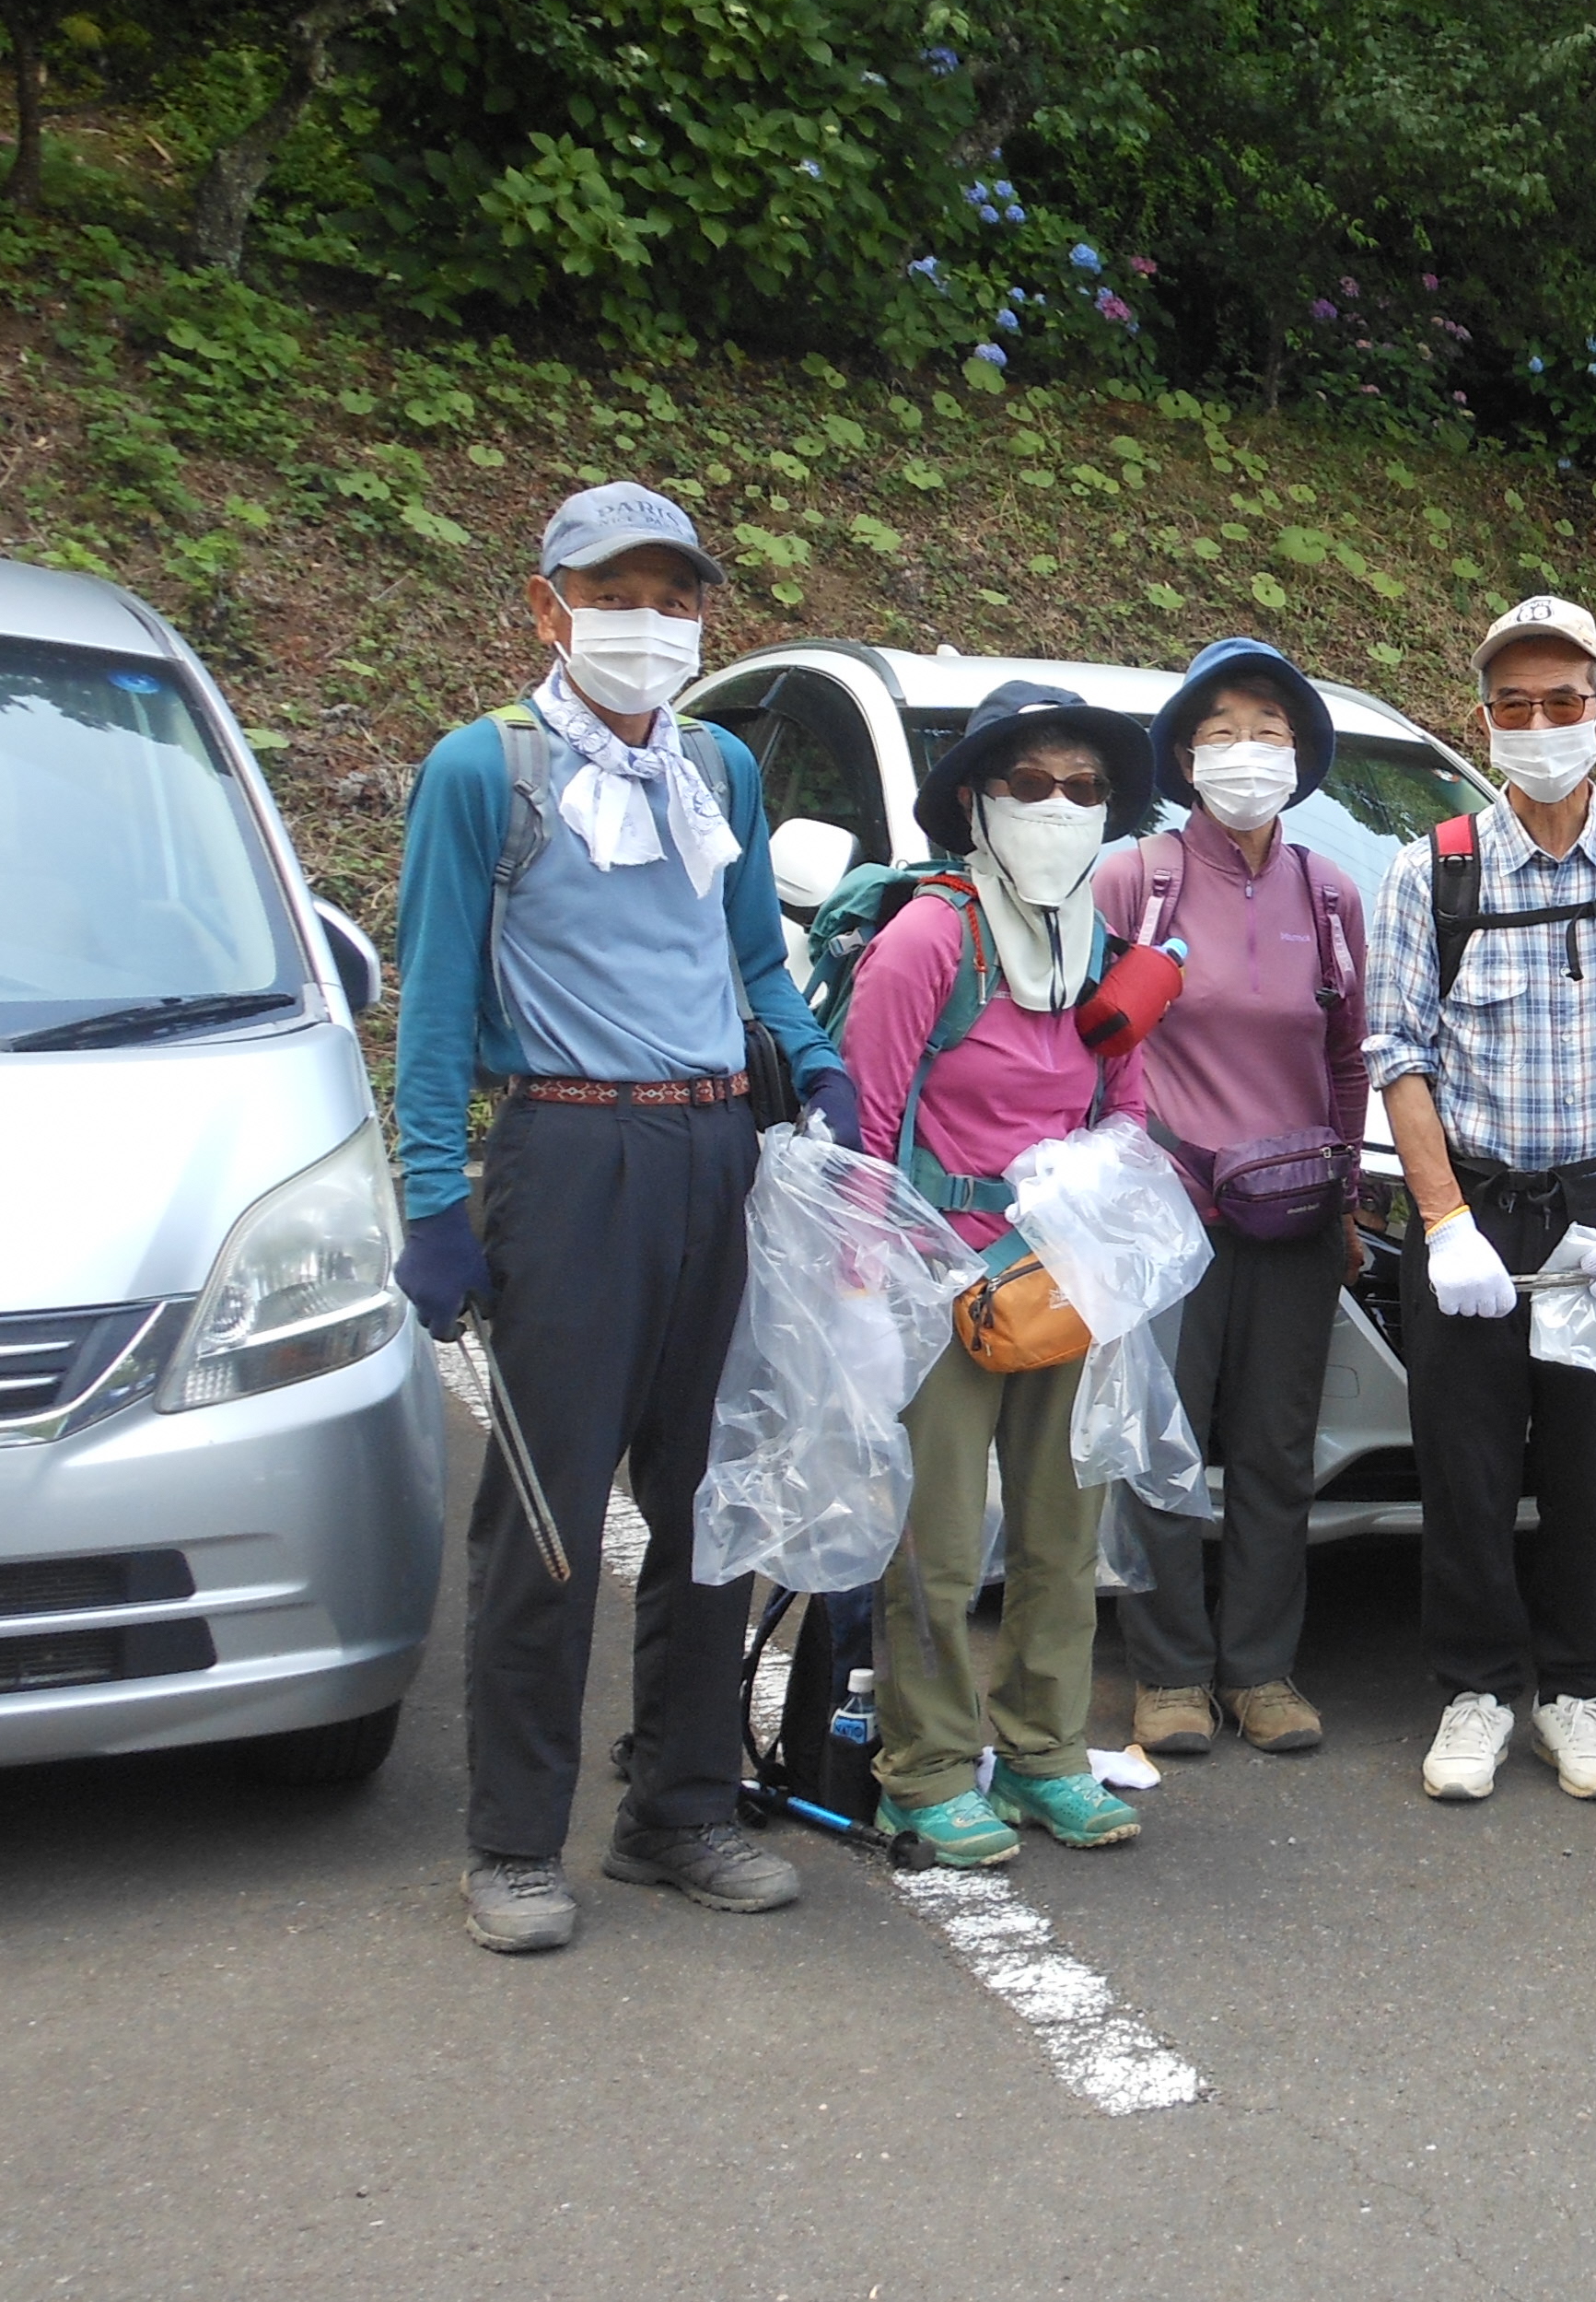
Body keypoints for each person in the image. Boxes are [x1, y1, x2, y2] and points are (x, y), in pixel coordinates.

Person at [392, 482, 856, 1957]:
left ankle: (679, 1810)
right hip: (569, 1155)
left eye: (674, 598)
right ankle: (516, 1845)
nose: (647, 625)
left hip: (713, 1155)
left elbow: (751, 966)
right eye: (614, 595)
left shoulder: (720, 764)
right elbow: (434, 1009)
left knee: (709, 1499)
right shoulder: (486, 772)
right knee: (543, 1516)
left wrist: (818, 1061)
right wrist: (432, 1200)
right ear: (548, 606)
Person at [1366, 597, 1596, 1805]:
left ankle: (1575, 1692)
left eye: (1563, 703)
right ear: (1484, 721)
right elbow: (1398, 1055)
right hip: (1474, 1212)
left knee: (1584, 1464)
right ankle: (1474, 1694)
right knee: (1461, 1463)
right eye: (1511, 706)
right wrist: (1446, 1219)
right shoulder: (1433, 870)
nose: (1537, 725)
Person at [837, 683, 1170, 1866]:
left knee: (1061, 1536)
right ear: (974, 803)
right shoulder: (929, 939)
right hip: (937, 1278)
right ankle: (922, 1769)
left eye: (1085, 788)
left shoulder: (1106, 955)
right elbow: (867, 1128)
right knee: (933, 1543)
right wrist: (864, 1287)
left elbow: (1125, 1123)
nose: (1059, 807)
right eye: (1028, 783)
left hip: (1063, 1281)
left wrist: (1120, 1269)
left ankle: (1043, 1754)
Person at [1093, 637, 1369, 1763]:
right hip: (1170, 1217)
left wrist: (1348, 1191)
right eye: (1222, 729)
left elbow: (1351, 1058)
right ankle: (1168, 1675)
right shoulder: (1135, 880)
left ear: (1300, 757)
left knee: (1273, 1451)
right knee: (1162, 1448)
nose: (1247, 749)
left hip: (1297, 1217)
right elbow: (1089, 1044)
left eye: (1269, 728)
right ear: (1184, 754)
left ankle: (1262, 1671)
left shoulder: (1331, 890)